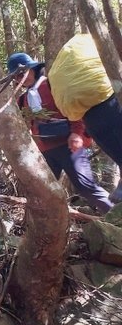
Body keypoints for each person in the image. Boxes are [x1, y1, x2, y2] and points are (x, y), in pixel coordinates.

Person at [6, 52, 113, 213]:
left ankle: (115, 216)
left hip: (68, 144)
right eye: (16, 76)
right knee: (44, 191)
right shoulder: (23, 99)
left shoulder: (51, 86)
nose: (20, 78)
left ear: (33, 70)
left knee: (85, 187)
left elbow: (71, 109)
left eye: (23, 72)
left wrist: (77, 133)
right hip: (45, 152)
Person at [47, 33, 122, 202]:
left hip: (88, 116)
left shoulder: (70, 57)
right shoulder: (98, 43)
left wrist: (79, 132)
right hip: (108, 102)